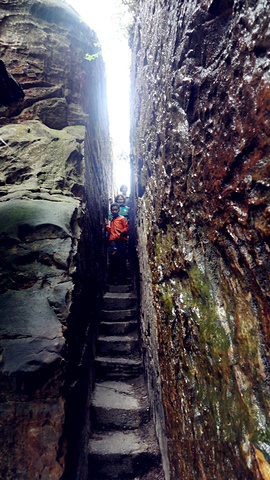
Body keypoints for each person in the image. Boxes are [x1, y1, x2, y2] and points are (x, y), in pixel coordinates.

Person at [105, 203, 129, 285]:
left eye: (116, 210)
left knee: (121, 259)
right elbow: (111, 231)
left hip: (121, 241)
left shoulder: (122, 218)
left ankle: (121, 280)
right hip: (113, 242)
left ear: (118, 210)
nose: (114, 211)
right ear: (111, 211)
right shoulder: (112, 220)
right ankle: (113, 279)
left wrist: (121, 232)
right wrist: (106, 226)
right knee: (113, 258)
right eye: (113, 210)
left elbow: (126, 227)